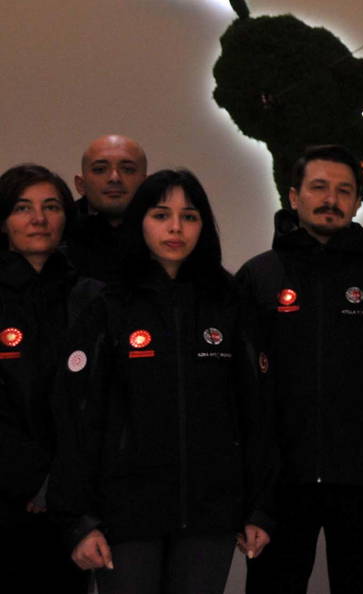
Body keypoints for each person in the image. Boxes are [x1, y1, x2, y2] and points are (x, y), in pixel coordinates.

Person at [49, 169, 271, 594]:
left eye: (189, 216)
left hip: (211, 513)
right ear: (140, 222)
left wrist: (260, 507)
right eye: (161, 214)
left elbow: (257, 411)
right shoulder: (107, 305)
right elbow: (77, 416)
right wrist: (80, 520)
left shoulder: (230, 303)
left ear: (203, 226)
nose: (175, 228)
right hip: (125, 514)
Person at [237, 144, 363, 594]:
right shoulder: (259, 277)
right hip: (280, 483)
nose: (331, 199)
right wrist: (246, 488)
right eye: (319, 187)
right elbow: (240, 393)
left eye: (344, 190)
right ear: (293, 196)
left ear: (358, 201)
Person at [0, 164, 99, 593]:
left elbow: (103, 398)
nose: (38, 219)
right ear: (3, 221)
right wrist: (33, 479)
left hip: (75, 502)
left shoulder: (92, 298)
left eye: (51, 207)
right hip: (8, 495)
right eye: (23, 208)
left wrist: (63, 484)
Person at [64, 135, 148, 282]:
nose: (114, 178)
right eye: (100, 169)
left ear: (146, 183)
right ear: (81, 184)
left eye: (127, 170)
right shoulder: (59, 232)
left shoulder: (165, 233)